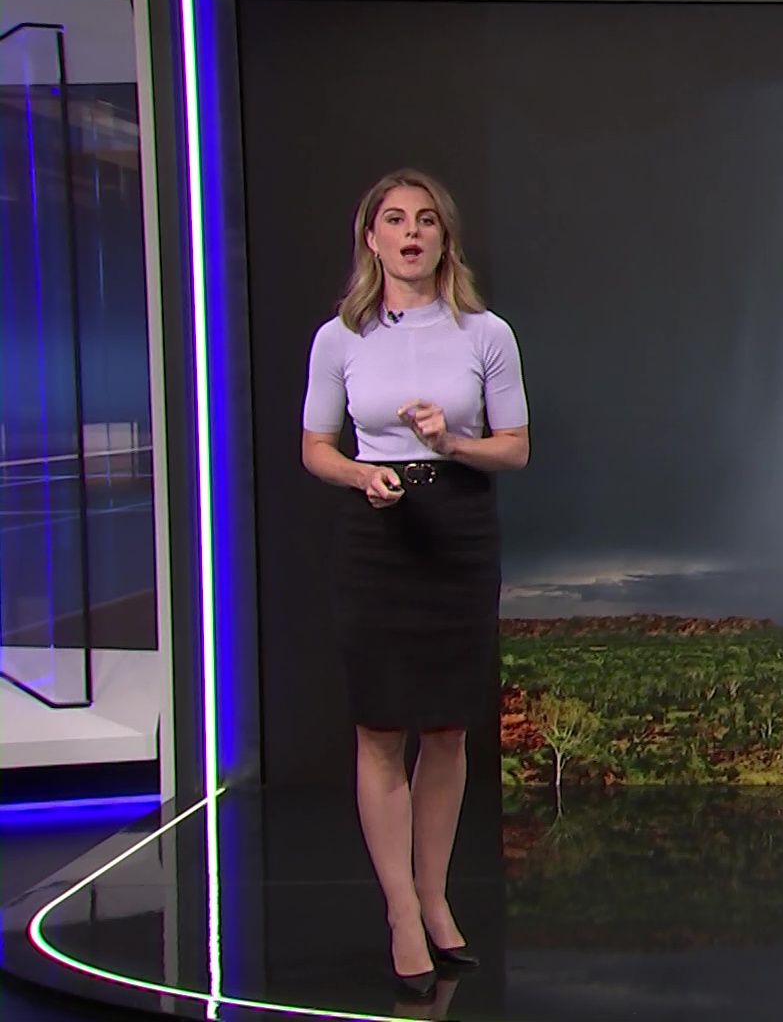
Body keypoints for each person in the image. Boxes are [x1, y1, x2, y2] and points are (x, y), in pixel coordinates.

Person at [300, 169, 529, 999]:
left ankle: (435, 897)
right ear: (371, 238)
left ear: (444, 238)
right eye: (395, 220)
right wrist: (361, 474)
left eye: (426, 220)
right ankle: (401, 910)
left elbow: (516, 448)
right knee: (380, 729)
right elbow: (315, 447)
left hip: (458, 529)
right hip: (377, 533)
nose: (411, 233)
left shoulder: (486, 333)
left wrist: (452, 442)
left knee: (446, 728)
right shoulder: (340, 338)